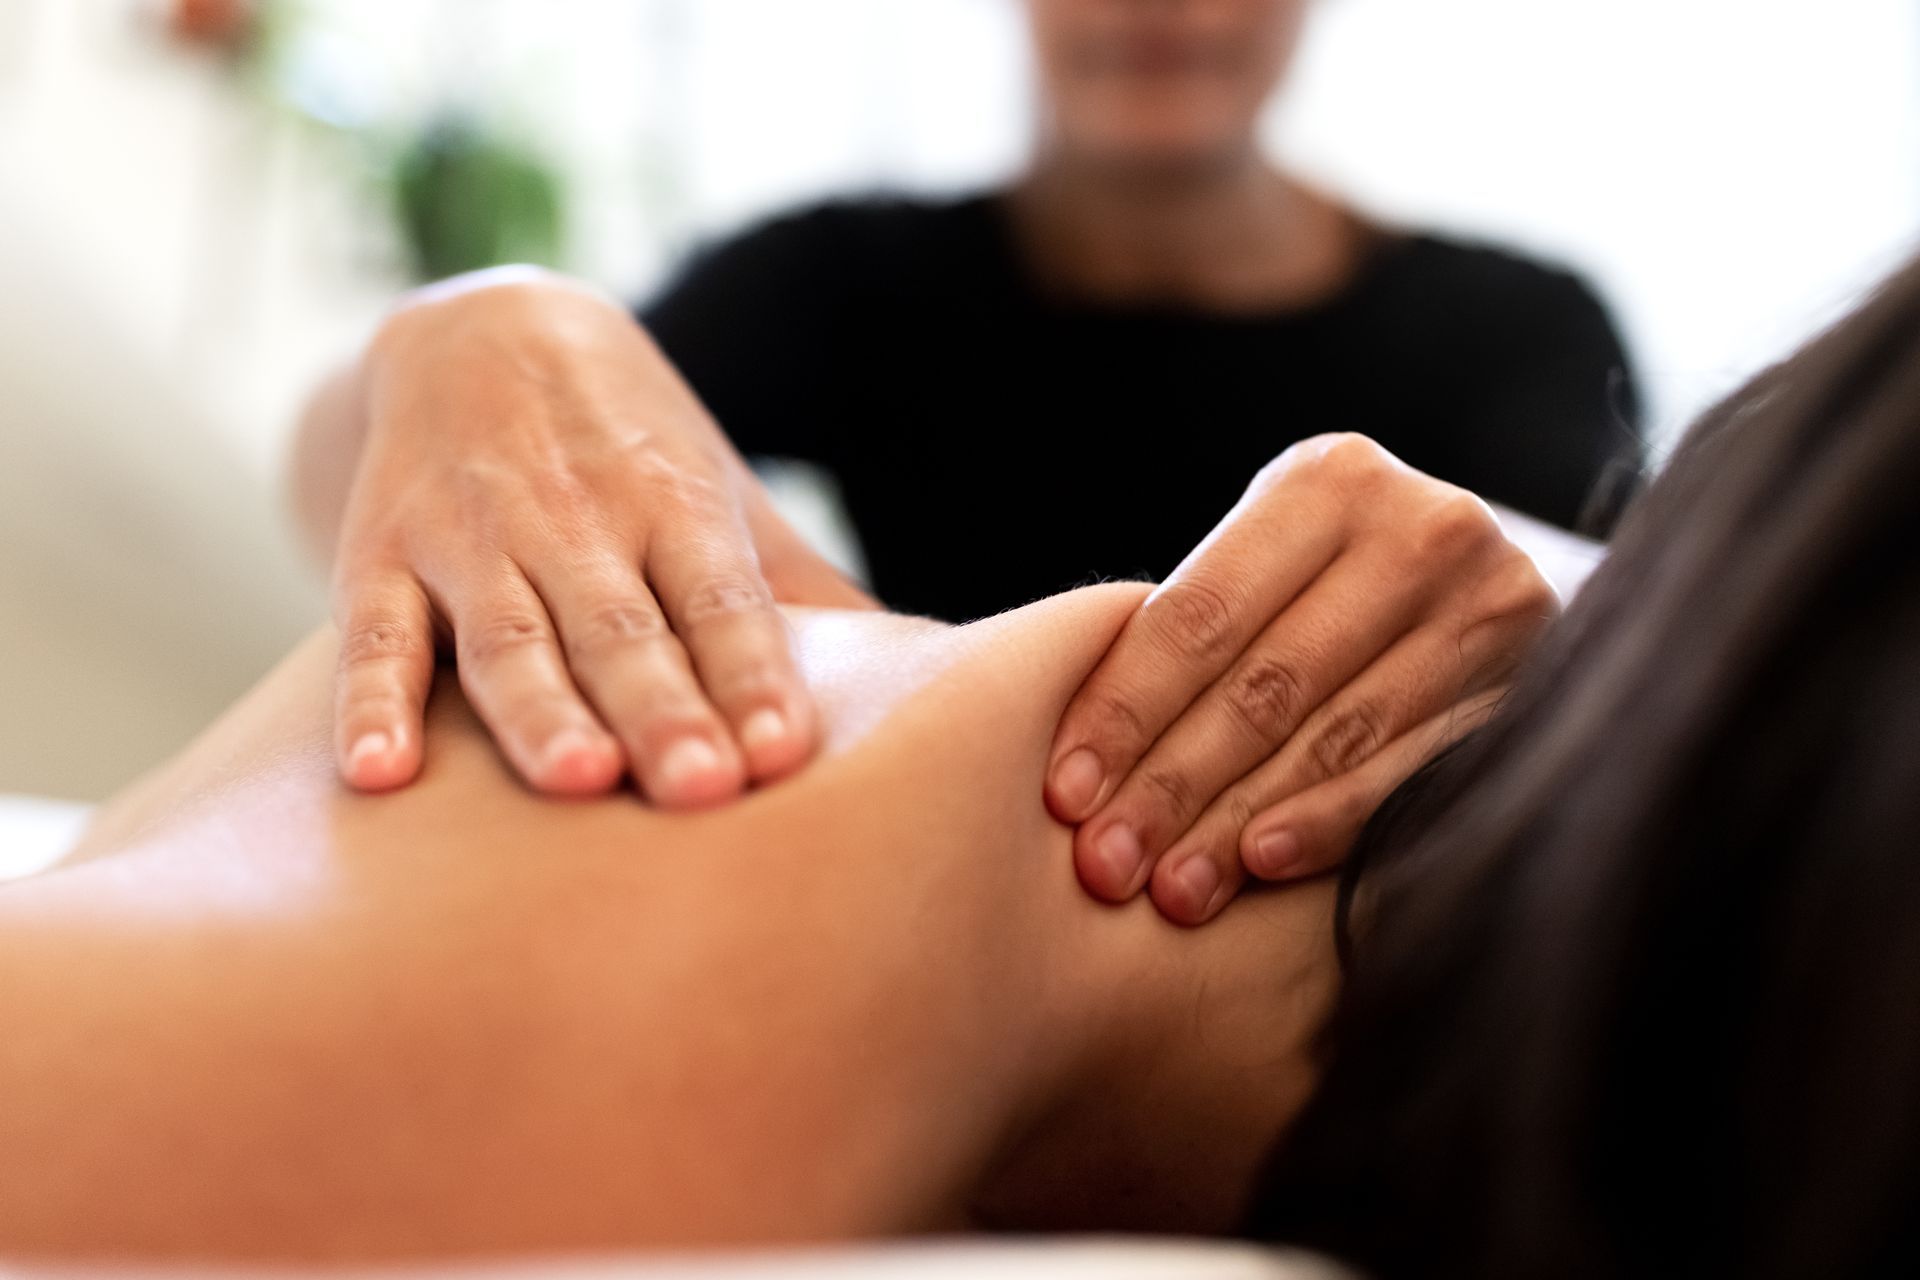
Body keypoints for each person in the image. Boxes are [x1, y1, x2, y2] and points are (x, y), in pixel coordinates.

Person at [5, 254, 1916, 1271]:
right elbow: (411, 467)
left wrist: (1585, 603)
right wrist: (479, 326)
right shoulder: (807, 843)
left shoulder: (1499, 335)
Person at [643, 0, 1646, 627]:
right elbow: (580, 424)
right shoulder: (834, 282)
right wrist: (498, 317)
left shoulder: (1519, 329)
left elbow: (1625, 626)